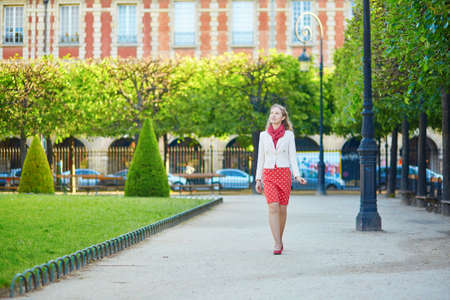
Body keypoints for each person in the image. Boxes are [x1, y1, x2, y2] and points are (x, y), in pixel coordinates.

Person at [255, 104, 306, 255]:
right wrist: (258, 179)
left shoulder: (289, 135)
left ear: (283, 117)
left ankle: (280, 238)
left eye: (277, 113)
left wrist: (297, 175)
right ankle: (277, 243)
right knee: (273, 207)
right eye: (272, 113)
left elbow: (292, 157)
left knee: (282, 209)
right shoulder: (263, 135)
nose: (273, 115)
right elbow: (260, 158)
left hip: (284, 174)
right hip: (268, 174)